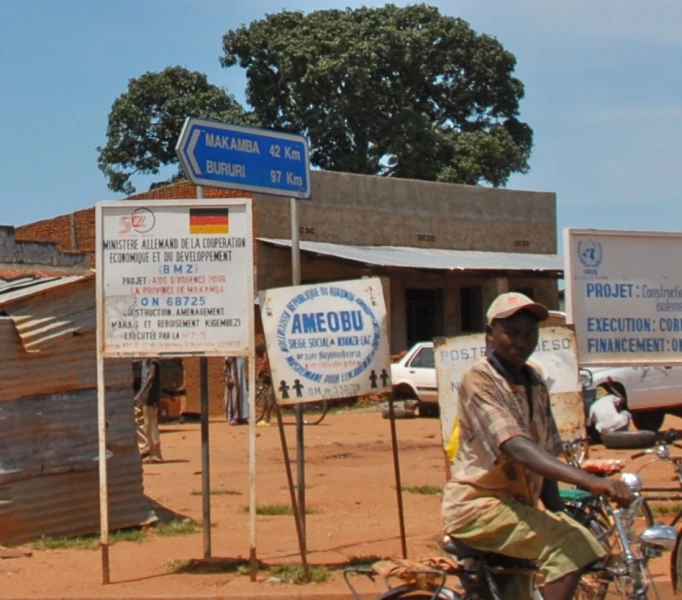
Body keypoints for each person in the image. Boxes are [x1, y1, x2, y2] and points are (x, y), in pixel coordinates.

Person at [442, 292, 633, 600]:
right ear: (490, 336)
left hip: (516, 510)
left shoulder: (534, 382)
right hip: (478, 508)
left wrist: (559, 513)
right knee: (571, 545)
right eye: (512, 332)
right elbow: (517, 447)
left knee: (567, 546)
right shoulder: (479, 378)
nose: (522, 341)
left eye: (530, 333)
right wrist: (592, 482)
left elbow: (544, 457)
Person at [135, 357, 163, 464]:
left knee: (151, 427)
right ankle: (145, 449)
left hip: (150, 398)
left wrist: (139, 394)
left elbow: (151, 376)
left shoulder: (154, 359)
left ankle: (155, 455)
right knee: (139, 421)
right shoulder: (145, 360)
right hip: (144, 398)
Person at [255, 344, 276, 427]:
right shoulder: (270, 351)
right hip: (276, 374)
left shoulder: (267, 354)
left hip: (277, 376)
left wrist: (260, 372)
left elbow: (265, 364)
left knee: (270, 396)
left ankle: (267, 419)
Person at [225, 356, 248, 425]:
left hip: (241, 375)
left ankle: (242, 416)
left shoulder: (241, 355)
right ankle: (233, 417)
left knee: (243, 394)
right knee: (234, 394)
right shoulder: (230, 353)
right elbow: (227, 365)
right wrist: (229, 377)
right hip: (233, 376)